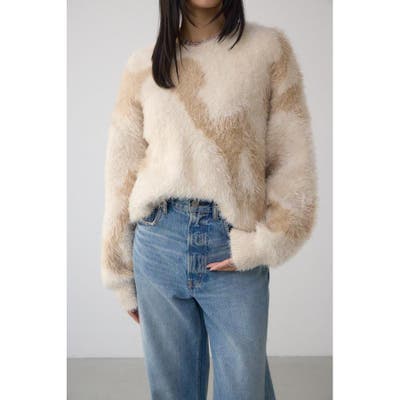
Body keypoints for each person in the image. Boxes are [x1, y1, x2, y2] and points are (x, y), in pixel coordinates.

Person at [101, 0, 317, 399]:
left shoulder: (267, 50)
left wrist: (263, 243)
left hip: (231, 244)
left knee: (244, 390)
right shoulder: (143, 66)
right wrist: (120, 274)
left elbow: (292, 160)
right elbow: (121, 172)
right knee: (172, 393)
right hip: (157, 245)